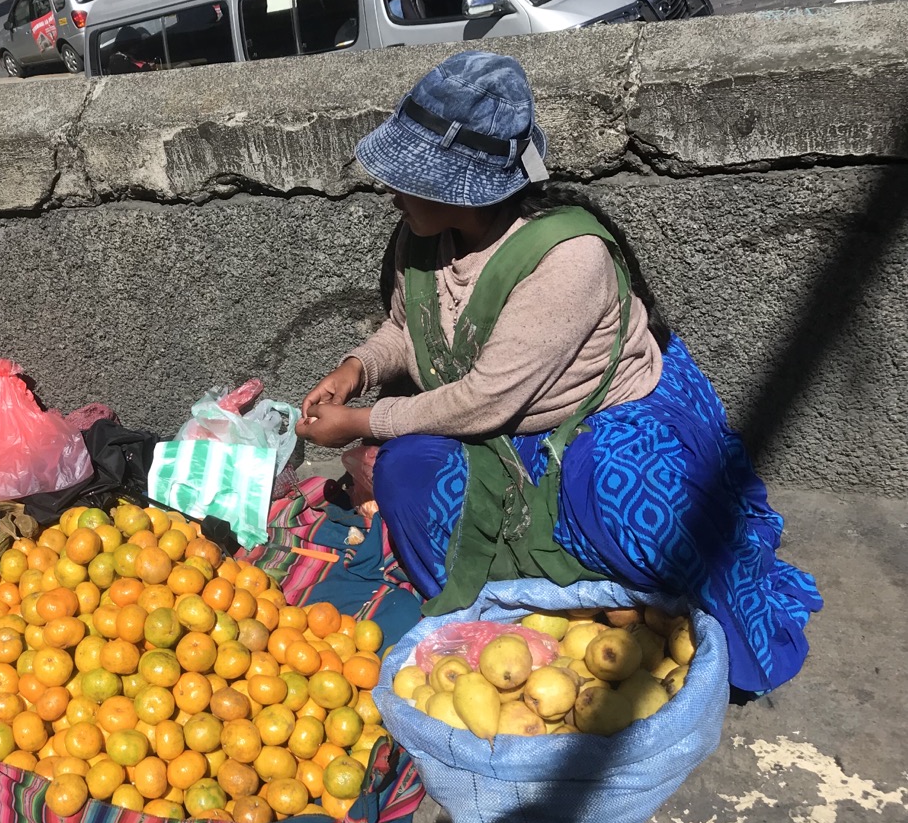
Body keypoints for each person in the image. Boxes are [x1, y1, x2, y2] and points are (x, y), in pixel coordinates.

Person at [297, 51, 820, 694]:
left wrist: (362, 421)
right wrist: (357, 369)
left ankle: (644, 618)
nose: (391, 191)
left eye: (408, 177)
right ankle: (506, 633)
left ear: (460, 188)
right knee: (405, 473)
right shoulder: (420, 235)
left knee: (627, 497)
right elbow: (409, 329)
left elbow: (486, 398)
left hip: (597, 418)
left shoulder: (569, 259)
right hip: (495, 423)